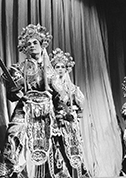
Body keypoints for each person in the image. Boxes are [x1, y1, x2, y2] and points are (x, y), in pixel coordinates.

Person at [0, 24, 59, 178]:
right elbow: (12, 95)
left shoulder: (52, 70)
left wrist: (61, 108)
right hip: (26, 107)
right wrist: (14, 92)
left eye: (35, 42)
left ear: (42, 44)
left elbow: (59, 94)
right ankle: (6, 171)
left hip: (47, 109)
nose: (31, 46)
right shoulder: (17, 69)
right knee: (13, 134)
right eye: (28, 44)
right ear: (25, 48)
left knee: (54, 143)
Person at [49, 48, 90, 178]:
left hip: (70, 122)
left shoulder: (72, 88)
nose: (60, 69)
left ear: (66, 69)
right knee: (58, 148)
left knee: (73, 147)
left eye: (62, 67)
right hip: (56, 121)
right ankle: (61, 173)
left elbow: (80, 105)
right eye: (57, 66)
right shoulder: (51, 87)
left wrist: (75, 114)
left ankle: (78, 172)